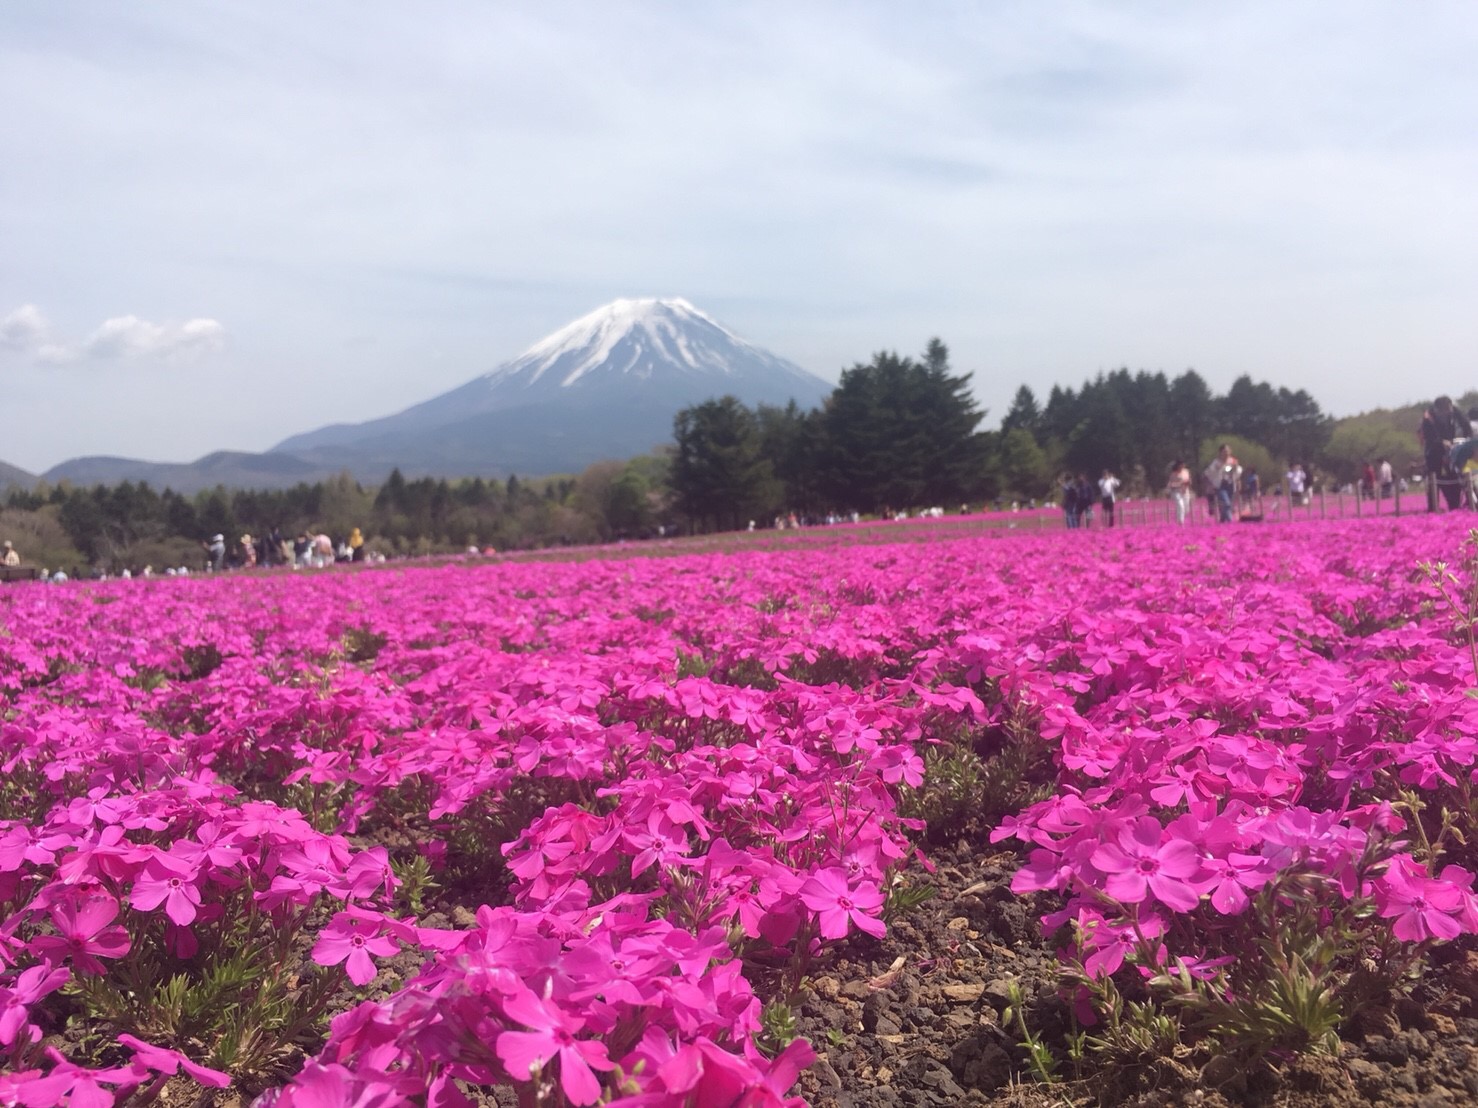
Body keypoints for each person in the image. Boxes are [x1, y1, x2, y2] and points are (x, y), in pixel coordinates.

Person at [1421, 395, 1472, 512]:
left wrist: (1465, 439)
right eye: (1446, 410)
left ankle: (1455, 506)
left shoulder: (1454, 411)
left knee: (1454, 480)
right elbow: (1429, 436)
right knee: (1435, 482)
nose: (1449, 412)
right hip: (1434, 453)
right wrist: (1441, 442)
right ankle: (1433, 508)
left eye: (1450, 409)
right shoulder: (1428, 417)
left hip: (1452, 451)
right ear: (1439, 409)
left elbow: (1465, 425)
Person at [1203, 444, 1241, 523]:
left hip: (1230, 484)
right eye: (1224, 451)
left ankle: (1222, 520)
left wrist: (1235, 468)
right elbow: (1209, 473)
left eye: (1227, 451)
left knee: (1228, 504)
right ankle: (1230, 520)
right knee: (1226, 503)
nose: (1226, 453)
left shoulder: (1233, 461)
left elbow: (1238, 472)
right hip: (1220, 485)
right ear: (1220, 452)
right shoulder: (1216, 462)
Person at [1167, 460, 1192, 525]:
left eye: (1183, 465)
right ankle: (1181, 522)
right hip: (1176, 492)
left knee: (1186, 509)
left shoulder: (1186, 471)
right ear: (1177, 466)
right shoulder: (1173, 474)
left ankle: (1180, 518)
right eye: (1181, 465)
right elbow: (1170, 485)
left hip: (1185, 492)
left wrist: (1188, 483)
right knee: (1180, 506)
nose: (1182, 467)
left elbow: (1189, 480)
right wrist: (1180, 483)